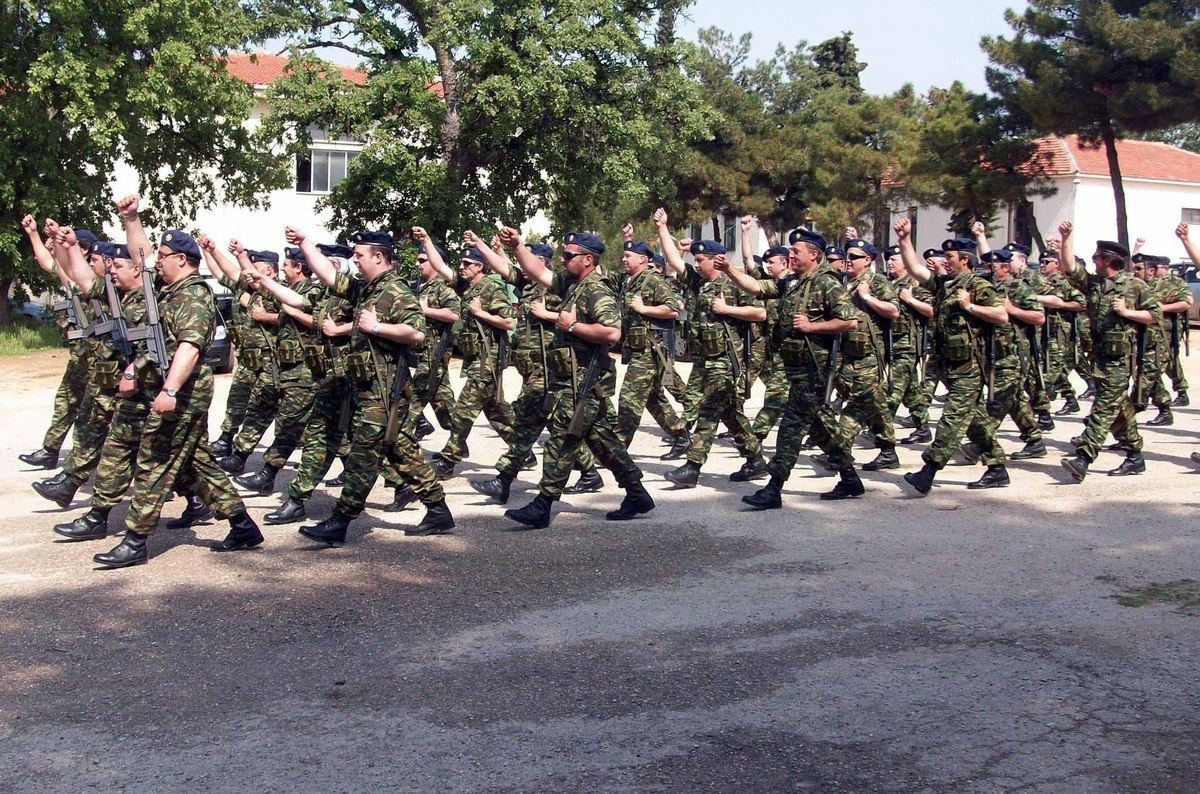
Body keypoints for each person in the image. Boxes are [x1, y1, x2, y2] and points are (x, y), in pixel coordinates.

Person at [93, 201, 263, 568]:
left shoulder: (193, 295)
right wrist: (131, 219)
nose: (159, 263)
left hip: (184, 391)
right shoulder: (168, 289)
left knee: (156, 457)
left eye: (166, 256)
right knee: (198, 462)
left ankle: (136, 540)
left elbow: (189, 346)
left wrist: (169, 390)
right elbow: (142, 253)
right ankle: (242, 524)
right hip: (172, 387)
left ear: (183, 261)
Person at [287, 228, 454, 544]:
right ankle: (438, 510)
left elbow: (417, 333)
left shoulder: (396, 291)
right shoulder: (368, 290)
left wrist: (376, 326)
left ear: (378, 257)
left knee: (363, 456)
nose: (355, 260)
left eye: (360, 255)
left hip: (383, 392)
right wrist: (305, 243)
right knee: (401, 451)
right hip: (368, 390)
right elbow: (329, 277)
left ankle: (340, 521)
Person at [498, 229, 654, 529]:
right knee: (603, 441)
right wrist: (517, 245)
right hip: (572, 379)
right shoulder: (574, 284)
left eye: (569, 256)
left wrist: (571, 327)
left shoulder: (596, 289)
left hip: (584, 381)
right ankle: (637, 493)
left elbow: (612, 332)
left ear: (587, 260)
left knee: (562, 439)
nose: (563, 259)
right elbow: (537, 271)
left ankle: (542, 505)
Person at [720, 227, 864, 508]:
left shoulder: (827, 283)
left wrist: (813, 326)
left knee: (791, 429)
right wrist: (728, 269)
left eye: (796, 251)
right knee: (821, 427)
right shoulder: (794, 282)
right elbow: (757, 288)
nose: (791, 255)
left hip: (814, 370)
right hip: (795, 369)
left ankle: (773, 489)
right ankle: (849, 478)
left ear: (814, 254)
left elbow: (849, 321)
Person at [895, 222, 1012, 496]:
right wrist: (905, 238)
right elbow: (914, 268)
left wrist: (969, 305)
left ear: (965, 259)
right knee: (973, 419)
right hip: (949, 364)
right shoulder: (945, 285)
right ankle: (997, 468)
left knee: (951, 417)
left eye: (949, 258)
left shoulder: (978, 285)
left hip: (971, 366)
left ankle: (928, 471)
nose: (943, 262)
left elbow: (1002, 316)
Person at [52, 240, 150, 540]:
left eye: (118, 266)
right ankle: (96, 514)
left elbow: (160, 346)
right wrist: (67, 246)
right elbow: (79, 276)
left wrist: (130, 218)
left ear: (135, 268)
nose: (113, 272)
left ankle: (229, 515)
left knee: (172, 459)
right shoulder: (114, 295)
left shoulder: (149, 299)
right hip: (124, 392)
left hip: (148, 392)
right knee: (120, 452)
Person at [662, 240, 767, 488]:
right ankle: (755, 458)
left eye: (700, 260)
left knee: (708, 410)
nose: (695, 264)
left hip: (725, 359)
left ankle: (693, 466)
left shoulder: (734, 282)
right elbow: (675, 262)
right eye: (695, 260)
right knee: (730, 413)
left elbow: (759, 313)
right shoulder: (697, 282)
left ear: (716, 260)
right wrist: (662, 228)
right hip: (702, 359)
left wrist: (727, 309)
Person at [1058, 222, 1157, 481]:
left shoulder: (1134, 286)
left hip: (1119, 359)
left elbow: (1153, 316)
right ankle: (1135, 455)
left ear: (1109, 260)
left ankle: (1084, 457)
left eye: (1097, 258)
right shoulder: (1095, 284)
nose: (1093, 261)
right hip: (1098, 356)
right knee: (1118, 407)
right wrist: (1066, 238)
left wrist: (1127, 312)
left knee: (1102, 408)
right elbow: (1069, 267)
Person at [429, 238, 516, 479]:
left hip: (488, 359)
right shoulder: (466, 288)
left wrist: (481, 313)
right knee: (497, 412)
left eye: (468, 263)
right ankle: (521, 448)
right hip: (475, 359)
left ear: (480, 266)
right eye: (462, 262)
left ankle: (449, 458)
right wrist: (427, 240)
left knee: (464, 410)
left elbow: (509, 321)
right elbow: (440, 267)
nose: (462, 266)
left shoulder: (491, 288)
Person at [17, 217, 88, 470]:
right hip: (83, 352)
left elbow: (66, 269)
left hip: (99, 354)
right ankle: (51, 450)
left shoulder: (90, 275)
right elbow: (51, 264)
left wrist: (58, 239)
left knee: (100, 414)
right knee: (67, 399)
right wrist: (34, 234)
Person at [615, 239, 691, 456]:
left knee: (629, 398)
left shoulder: (653, 281)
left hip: (651, 350)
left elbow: (674, 308)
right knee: (652, 398)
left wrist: (643, 309)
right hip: (638, 349)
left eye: (628, 256)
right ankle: (681, 435)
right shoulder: (630, 281)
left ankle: (617, 449)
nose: (623, 259)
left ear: (643, 259)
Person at [886, 242, 935, 443]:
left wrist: (910, 300)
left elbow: (933, 311)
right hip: (892, 343)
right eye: (888, 259)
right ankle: (923, 426)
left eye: (894, 259)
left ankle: (879, 428)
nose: (889, 262)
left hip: (908, 345)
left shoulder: (914, 285)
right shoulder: (890, 285)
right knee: (911, 390)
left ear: (905, 264)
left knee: (892, 391)